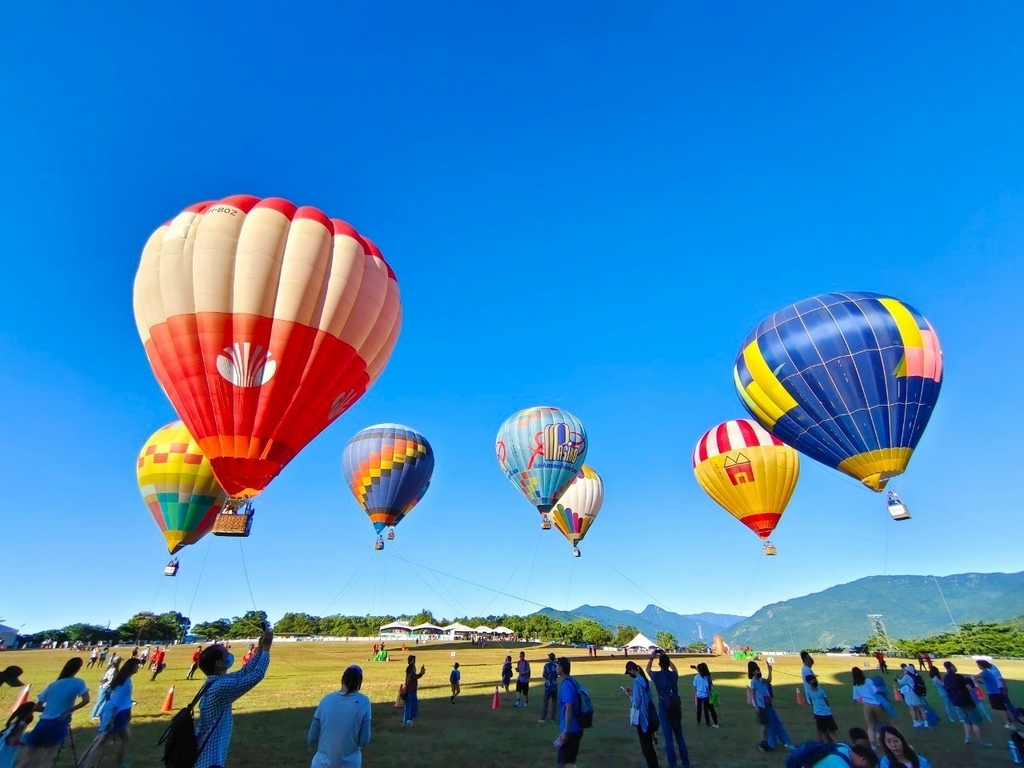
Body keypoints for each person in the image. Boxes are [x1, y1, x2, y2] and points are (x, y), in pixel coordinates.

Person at [194, 628, 273, 768]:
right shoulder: (220, 687)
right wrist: (266, 649)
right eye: (226, 654)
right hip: (209, 760)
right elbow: (256, 675)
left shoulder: (215, 682)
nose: (229, 655)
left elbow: (244, 671)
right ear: (219, 663)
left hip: (206, 757)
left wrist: (260, 649)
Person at [17, 658, 90, 768]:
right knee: (48, 759)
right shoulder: (78, 682)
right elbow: (86, 700)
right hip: (58, 723)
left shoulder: (53, 684)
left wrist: (50, 709)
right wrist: (69, 710)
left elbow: (37, 707)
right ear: (78, 668)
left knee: (27, 758)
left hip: (42, 723)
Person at [79, 658, 141, 768]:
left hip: (117, 712)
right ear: (130, 667)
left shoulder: (124, 680)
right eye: (137, 665)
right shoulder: (125, 682)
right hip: (116, 713)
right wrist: (111, 719)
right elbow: (116, 701)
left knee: (102, 740)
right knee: (102, 742)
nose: (138, 667)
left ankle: (84, 763)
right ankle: (91, 765)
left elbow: (123, 699)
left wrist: (128, 711)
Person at [307, 665, 371, 767]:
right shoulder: (364, 702)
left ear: (342, 680)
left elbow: (311, 739)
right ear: (359, 683)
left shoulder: (326, 700)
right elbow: (364, 741)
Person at [646, 651, 691, 768]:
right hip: (676, 707)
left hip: (664, 707)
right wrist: (666, 656)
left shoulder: (656, 676)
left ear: (659, 664)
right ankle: (685, 763)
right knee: (679, 736)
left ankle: (673, 764)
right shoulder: (673, 676)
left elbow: (647, 670)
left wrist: (652, 657)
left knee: (668, 739)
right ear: (668, 664)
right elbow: (675, 669)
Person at [748, 660, 793, 752]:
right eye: (757, 670)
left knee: (767, 723)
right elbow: (752, 694)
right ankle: (763, 741)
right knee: (765, 724)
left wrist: (770, 670)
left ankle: (766, 741)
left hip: (767, 704)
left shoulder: (760, 680)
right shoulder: (754, 682)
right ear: (753, 672)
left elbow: (769, 680)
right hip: (761, 705)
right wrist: (756, 706)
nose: (759, 671)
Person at [623, 661, 660, 768]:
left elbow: (637, 702)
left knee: (646, 747)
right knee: (650, 746)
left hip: (643, 718)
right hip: (650, 715)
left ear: (631, 670)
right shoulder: (645, 680)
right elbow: (645, 697)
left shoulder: (637, 682)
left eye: (629, 672)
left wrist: (629, 695)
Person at [941, 661, 987, 745]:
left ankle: (968, 737)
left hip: (956, 702)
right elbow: (969, 688)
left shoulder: (946, 678)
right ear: (951, 667)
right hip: (967, 701)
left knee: (966, 720)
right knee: (975, 722)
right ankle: (981, 741)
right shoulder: (959, 677)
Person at [553, 657, 583, 767]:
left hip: (571, 729)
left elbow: (569, 707)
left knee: (566, 763)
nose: (556, 667)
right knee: (567, 761)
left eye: (557, 665)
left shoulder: (566, 685)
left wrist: (566, 730)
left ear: (562, 668)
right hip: (576, 727)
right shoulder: (573, 681)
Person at [851, 666, 890, 748]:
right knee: (885, 722)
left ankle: (873, 744)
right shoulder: (868, 680)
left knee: (871, 725)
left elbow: (856, 698)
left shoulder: (855, 685)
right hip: (876, 703)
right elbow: (875, 690)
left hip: (866, 706)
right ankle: (882, 740)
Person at [976, 659, 1013, 728]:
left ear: (981, 666)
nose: (978, 666)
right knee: (1005, 705)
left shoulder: (986, 672)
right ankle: (1010, 719)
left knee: (1000, 708)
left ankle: (1008, 722)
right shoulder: (993, 668)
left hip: (995, 692)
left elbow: (975, 676)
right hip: (999, 689)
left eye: (978, 665)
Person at [806, 675, 839, 743]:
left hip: (818, 714)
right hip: (827, 713)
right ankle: (837, 744)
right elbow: (826, 700)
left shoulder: (809, 692)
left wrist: (815, 709)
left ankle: (826, 745)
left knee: (823, 732)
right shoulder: (821, 691)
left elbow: (811, 702)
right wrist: (828, 707)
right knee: (832, 732)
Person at [0, 703, 35, 768]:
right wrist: (24, 743)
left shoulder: (14, 720)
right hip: (9, 748)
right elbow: (13, 740)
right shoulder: (22, 725)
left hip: (3, 742)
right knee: (5, 762)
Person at [895, 664, 927, 728]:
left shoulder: (907, 676)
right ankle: (925, 722)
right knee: (921, 708)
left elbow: (901, 682)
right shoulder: (916, 676)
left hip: (911, 694)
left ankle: (916, 722)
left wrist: (896, 679)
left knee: (912, 708)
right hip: (917, 693)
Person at [691, 662, 718, 728]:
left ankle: (698, 720)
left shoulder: (697, 677)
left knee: (699, 709)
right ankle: (709, 723)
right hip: (706, 696)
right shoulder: (706, 677)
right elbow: (707, 688)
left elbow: (695, 686)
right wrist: (709, 695)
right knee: (707, 710)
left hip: (699, 695)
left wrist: (696, 694)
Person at [402, 655, 425, 727]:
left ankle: (406, 721)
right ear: (410, 661)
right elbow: (413, 677)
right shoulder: (410, 668)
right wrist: (421, 673)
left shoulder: (411, 668)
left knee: (410, 706)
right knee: (410, 706)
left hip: (412, 690)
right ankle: (407, 721)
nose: (414, 661)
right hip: (410, 690)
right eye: (413, 660)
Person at [539, 653, 559, 723]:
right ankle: (553, 718)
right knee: (554, 702)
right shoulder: (556, 666)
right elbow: (557, 675)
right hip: (554, 685)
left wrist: (547, 677)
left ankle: (543, 718)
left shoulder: (546, 665)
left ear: (549, 658)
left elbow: (543, 674)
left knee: (545, 702)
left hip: (548, 685)